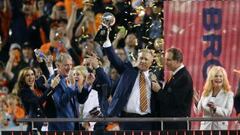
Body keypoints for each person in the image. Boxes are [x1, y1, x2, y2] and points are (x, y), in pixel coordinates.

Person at [102, 31, 161, 130]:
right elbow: (113, 58)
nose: (142, 61)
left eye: (146, 59)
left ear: (151, 62)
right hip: (127, 120)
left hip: (147, 121)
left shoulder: (154, 78)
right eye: (141, 58)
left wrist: (159, 90)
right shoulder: (128, 71)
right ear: (137, 59)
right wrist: (107, 41)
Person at [48, 52, 94, 131]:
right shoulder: (53, 81)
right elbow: (60, 103)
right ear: (58, 65)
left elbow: (81, 100)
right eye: (66, 65)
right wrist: (71, 87)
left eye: (70, 65)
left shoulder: (71, 78)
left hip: (73, 125)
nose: (69, 68)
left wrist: (87, 84)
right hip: (60, 127)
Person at [157, 47, 193, 130]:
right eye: (165, 59)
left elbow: (173, 101)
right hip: (171, 124)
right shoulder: (176, 75)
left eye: (168, 60)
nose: (165, 63)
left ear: (177, 61)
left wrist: (158, 90)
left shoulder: (183, 77)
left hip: (177, 125)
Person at [194, 66, 234, 130]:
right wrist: (196, 102)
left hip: (220, 129)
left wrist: (216, 108)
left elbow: (228, 112)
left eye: (221, 76)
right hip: (205, 128)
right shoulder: (206, 92)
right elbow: (198, 111)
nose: (218, 78)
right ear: (211, 79)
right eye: (216, 76)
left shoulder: (229, 94)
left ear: (224, 79)